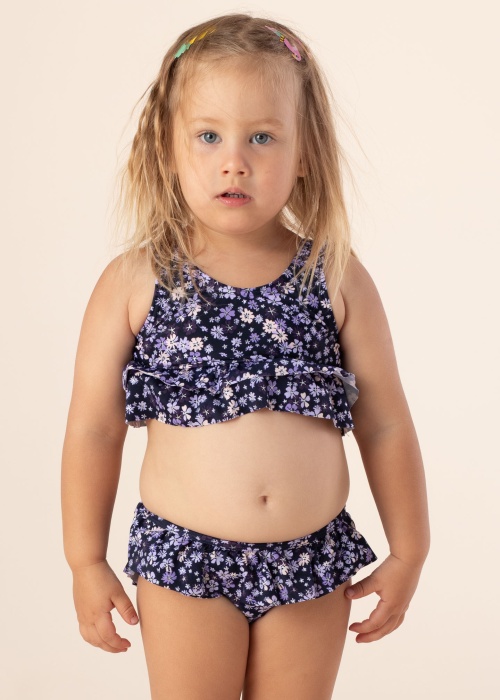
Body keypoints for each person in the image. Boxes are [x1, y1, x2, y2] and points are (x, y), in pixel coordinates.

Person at [61, 12, 430, 699]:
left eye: (262, 137)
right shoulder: (137, 279)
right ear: (168, 148)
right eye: (209, 136)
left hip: (310, 562)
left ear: (304, 153)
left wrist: (410, 549)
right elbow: (93, 428)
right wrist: (85, 560)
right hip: (186, 560)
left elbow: (385, 424)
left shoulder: (334, 275)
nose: (235, 161)